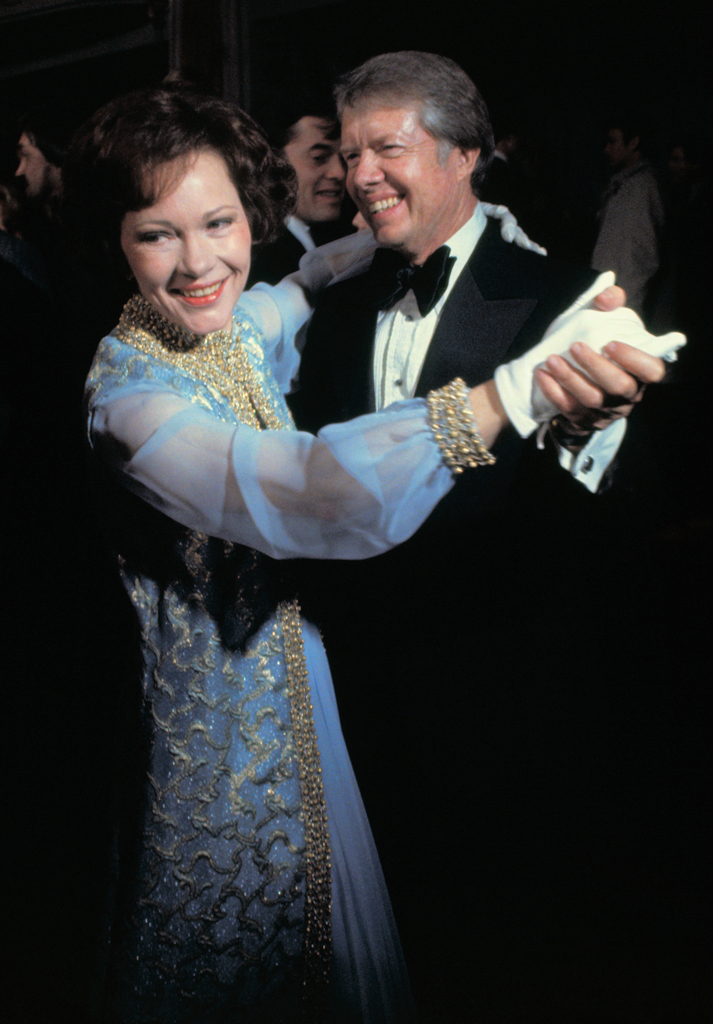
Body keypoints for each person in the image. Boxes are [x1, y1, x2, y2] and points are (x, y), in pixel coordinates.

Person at [61, 82, 676, 1023]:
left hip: (329, 720)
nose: (198, 264)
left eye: (219, 222)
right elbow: (309, 489)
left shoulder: (230, 328)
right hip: (221, 756)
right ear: (115, 236)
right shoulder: (128, 402)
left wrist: (454, 219)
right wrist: (512, 393)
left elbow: (298, 286)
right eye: (157, 233)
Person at [287, 52, 677, 1019]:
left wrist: (587, 428)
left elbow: (627, 495)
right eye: (346, 153)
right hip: (367, 712)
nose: (358, 174)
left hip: (510, 709)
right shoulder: (329, 313)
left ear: (467, 154)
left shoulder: (567, 299)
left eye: (388, 147)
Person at [247, 103, 349, 286]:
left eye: (344, 158)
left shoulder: (338, 239)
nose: (339, 173)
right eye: (319, 158)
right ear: (274, 162)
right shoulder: (262, 260)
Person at [591, 115, 665, 317]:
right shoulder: (625, 185)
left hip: (620, 305)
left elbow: (639, 255)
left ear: (633, 143)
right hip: (609, 299)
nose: (607, 149)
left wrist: (624, 302)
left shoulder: (641, 188)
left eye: (614, 141)